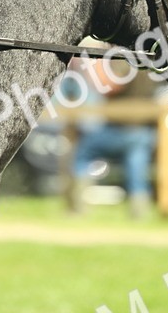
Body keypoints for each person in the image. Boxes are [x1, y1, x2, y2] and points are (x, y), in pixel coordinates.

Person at [67, 58, 158, 219]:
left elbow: (111, 86)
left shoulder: (127, 59)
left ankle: (78, 207)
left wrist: (96, 66)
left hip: (119, 129)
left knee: (83, 154)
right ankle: (139, 214)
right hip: (142, 130)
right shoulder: (150, 60)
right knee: (136, 169)